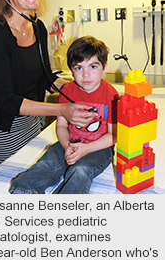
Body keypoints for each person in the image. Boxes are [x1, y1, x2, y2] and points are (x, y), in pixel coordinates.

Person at [0, 0, 96, 174]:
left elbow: (46, 76)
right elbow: (6, 100)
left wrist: (83, 88)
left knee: (34, 172)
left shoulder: (38, 27)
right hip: (0, 126)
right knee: (7, 181)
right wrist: (62, 109)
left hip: (30, 119)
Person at [9, 35, 120, 194]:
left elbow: (114, 135)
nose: (86, 74)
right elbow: (61, 125)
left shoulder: (112, 96)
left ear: (104, 67)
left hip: (99, 147)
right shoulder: (67, 91)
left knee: (80, 171)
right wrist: (67, 145)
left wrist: (87, 148)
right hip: (69, 141)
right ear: (71, 70)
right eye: (79, 68)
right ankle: (23, 190)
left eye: (93, 67)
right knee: (47, 164)